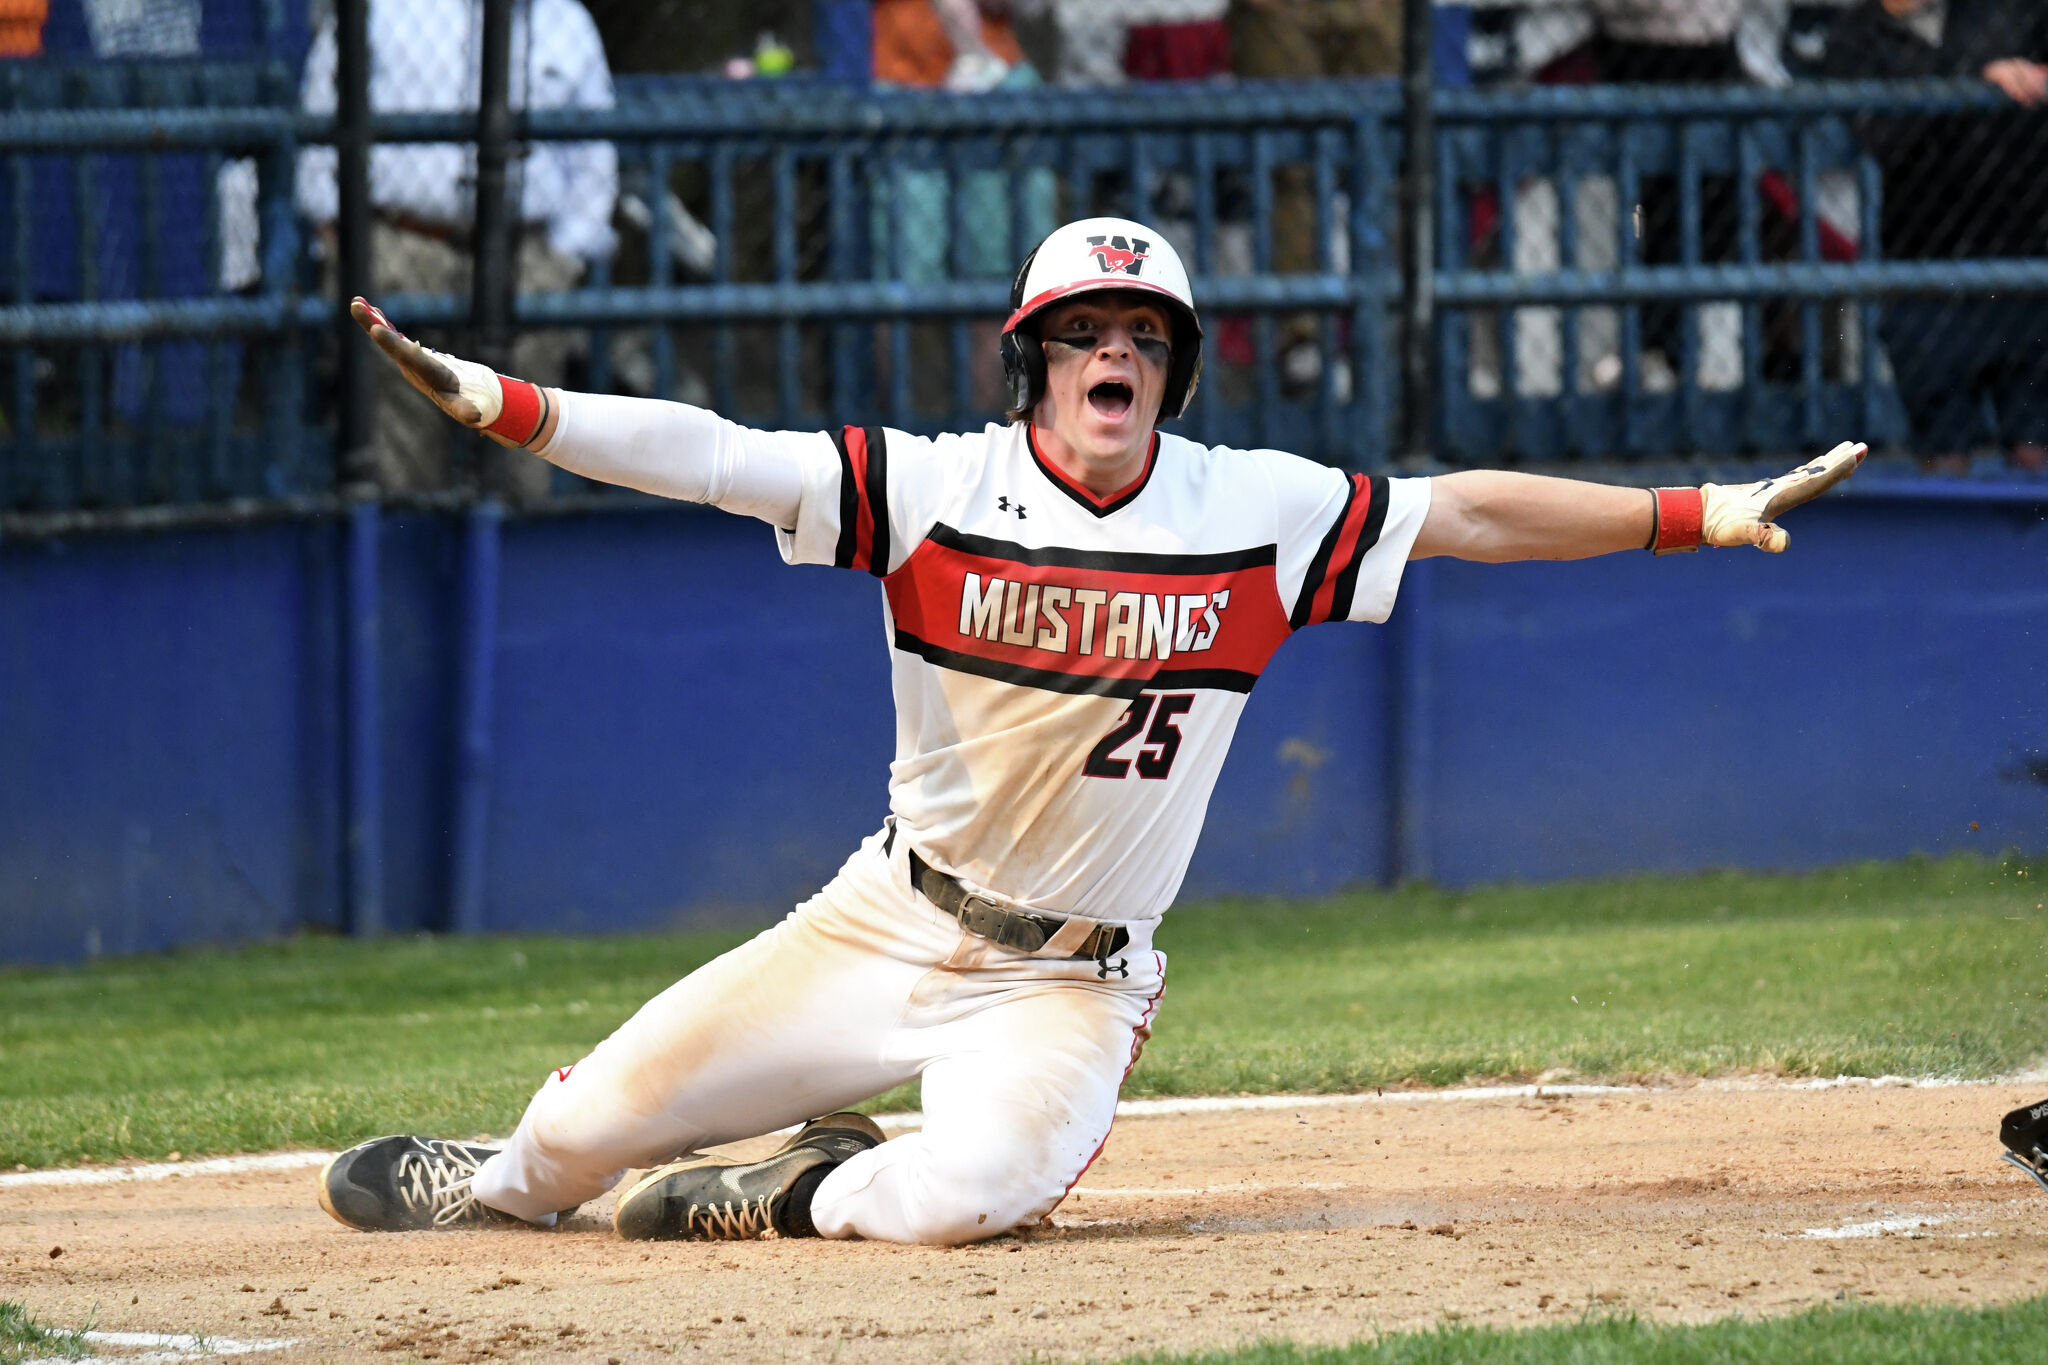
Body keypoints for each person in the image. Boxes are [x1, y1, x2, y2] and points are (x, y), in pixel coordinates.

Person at [316, 217, 1864, 1246]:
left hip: (1068, 978)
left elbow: (1462, 512)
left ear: (1172, 370)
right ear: (1035, 361)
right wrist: (514, 408)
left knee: (959, 1200)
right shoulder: (929, 489)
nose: (1114, 348)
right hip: (883, 919)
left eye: (1143, 329)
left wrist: (1698, 511)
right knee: (572, 1147)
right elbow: (718, 456)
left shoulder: (1250, 509)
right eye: (1083, 328)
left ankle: (789, 1189)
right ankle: (498, 1178)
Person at [296, 0, 618, 500]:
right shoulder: (379, 10)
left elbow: (595, 158)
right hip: (401, 246)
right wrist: (343, 244)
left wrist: (562, 257)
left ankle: (511, 568)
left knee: (523, 454)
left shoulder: (562, 18)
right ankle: (400, 571)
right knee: (399, 458)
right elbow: (319, 136)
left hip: (524, 255)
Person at [1823, 0, 2048, 467]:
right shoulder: (1854, 37)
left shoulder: (2010, 12)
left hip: (2023, 255)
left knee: (2035, 451)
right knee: (1946, 454)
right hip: (1925, 266)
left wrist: (2033, 78)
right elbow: (1887, 137)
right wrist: (1974, 81)